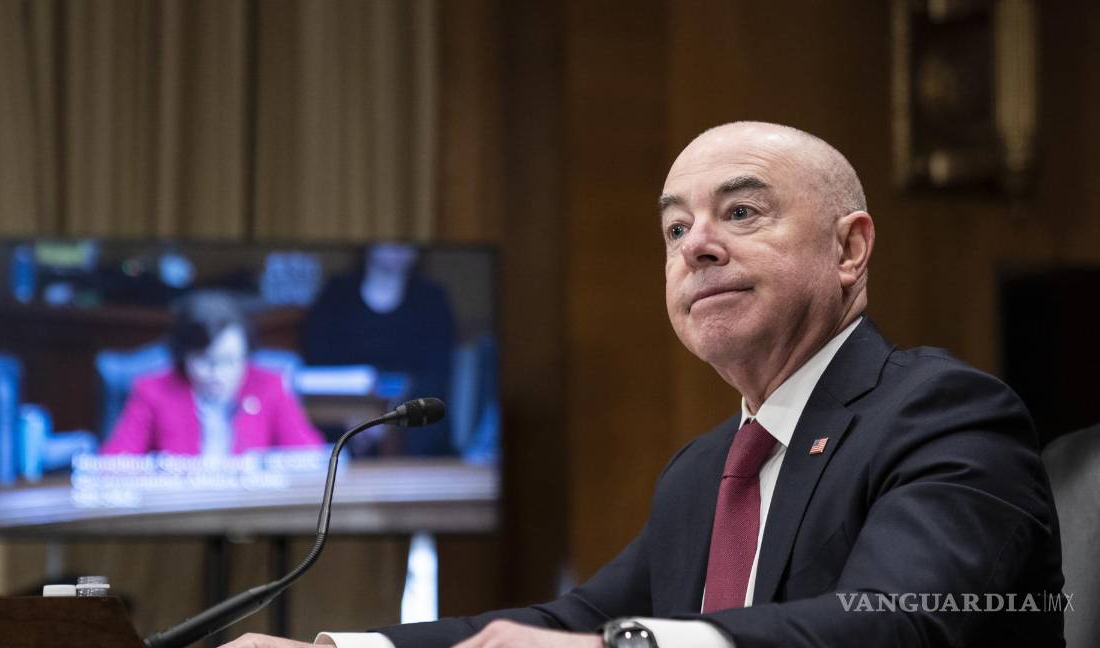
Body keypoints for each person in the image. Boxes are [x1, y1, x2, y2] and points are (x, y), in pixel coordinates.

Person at [221, 122, 1064, 647]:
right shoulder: (707, 469)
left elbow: (901, 625)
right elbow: (573, 621)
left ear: (849, 249)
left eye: (740, 212)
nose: (695, 245)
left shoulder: (942, 413)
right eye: (673, 227)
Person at [101, 291, 325, 456]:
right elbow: (114, 464)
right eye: (204, 360)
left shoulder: (270, 386)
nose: (217, 373)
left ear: (246, 354)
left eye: (229, 361)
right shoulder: (152, 391)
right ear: (183, 355)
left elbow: (310, 457)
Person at [302, 242, 456, 456]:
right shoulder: (333, 297)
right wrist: (355, 418)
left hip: (414, 426)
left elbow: (437, 377)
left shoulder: (433, 300)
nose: (398, 244)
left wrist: (388, 418)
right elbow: (319, 372)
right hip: (340, 420)